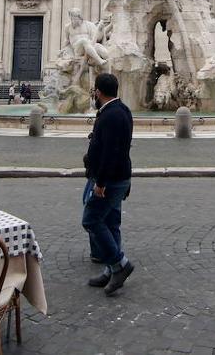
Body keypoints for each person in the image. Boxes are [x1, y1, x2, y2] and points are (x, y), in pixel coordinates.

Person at [83, 72, 134, 296]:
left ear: (98, 92)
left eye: (94, 91)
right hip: (119, 177)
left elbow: (112, 152)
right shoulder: (121, 110)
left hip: (110, 181)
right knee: (111, 223)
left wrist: (101, 182)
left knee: (91, 220)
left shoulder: (111, 115)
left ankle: (119, 264)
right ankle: (110, 270)